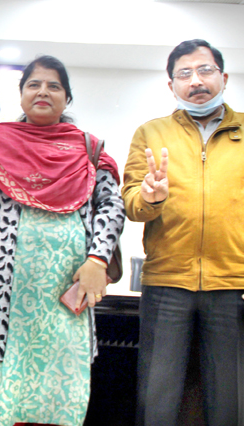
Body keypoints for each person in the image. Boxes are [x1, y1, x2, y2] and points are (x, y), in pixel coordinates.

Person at [0, 56, 124, 426]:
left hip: (66, 295)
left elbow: (112, 207)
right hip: (3, 299)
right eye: (34, 84)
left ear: (67, 97)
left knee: (60, 390)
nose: (43, 92)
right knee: (2, 396)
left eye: (53, 86)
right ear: (21, 94)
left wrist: (97, 259)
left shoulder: (88, 149)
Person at [122, 39, 243, 426]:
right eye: (184, 74)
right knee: (157, 396)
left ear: (223, 78)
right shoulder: (151, 133)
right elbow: (131, 204)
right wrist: (150, 198)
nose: (196, 81)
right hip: (167, 281)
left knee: (231, 398)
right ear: (171, 85)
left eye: (205, 70)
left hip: (233, 283)